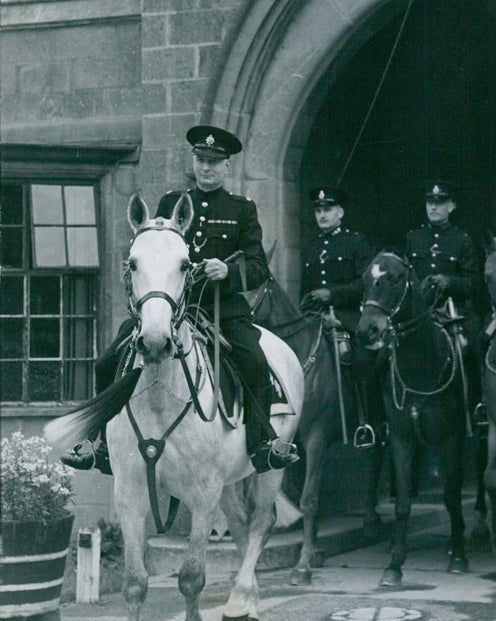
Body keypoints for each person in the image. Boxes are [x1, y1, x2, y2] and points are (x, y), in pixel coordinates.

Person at [61, 124, 299, 474]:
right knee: (106, 361)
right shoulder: (172, 203)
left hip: (223, 309)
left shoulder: (241, 209)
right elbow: (154, 249)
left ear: (227, 167)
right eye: (201, 160)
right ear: (194, 161)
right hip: (170, 307)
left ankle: (262, 444)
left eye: (215, 162)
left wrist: (228, 272)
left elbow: (259, 265)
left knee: (254, 360)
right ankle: (98, 444)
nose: (207, 168)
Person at [404, 180, 483, 423]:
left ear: (452, 206)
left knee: (471, 351)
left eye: (440, 203)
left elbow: (475, 283)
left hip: (453, 314)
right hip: (420, 314)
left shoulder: (462, 240)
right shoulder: (413, 238)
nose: (434, 208)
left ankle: (476, 408)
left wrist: (450, 282)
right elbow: (406, 277)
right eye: (430, 203)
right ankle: (390, 419)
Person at [299, 186, 374, 360]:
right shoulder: (311, 247)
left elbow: (365, 284)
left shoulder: (356, 241)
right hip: (315, 319)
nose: (322, 215)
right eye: (318, 210)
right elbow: (304, 289)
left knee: (363, 362)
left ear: (340, 213)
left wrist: (331, 294)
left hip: (348, 318)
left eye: (327, 210)